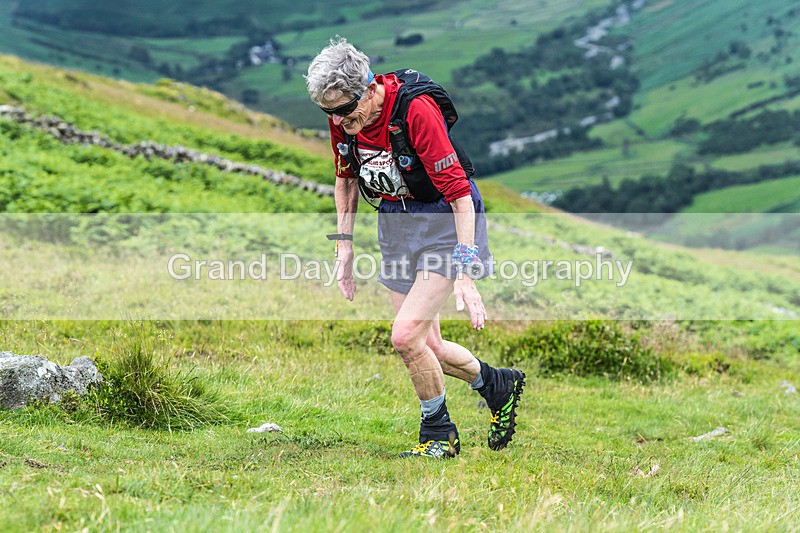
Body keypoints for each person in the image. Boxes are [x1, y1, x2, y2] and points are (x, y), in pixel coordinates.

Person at [305, 37, 525, 458]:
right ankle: (498, 385)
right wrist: (344, 245)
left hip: (445, 222)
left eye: (346, 111)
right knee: (430, 346)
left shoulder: (415, 111)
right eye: (328, 113)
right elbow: (346, 178)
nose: (339, 121)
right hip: (397, 222)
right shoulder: (342, 115)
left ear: (369, 89)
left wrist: (465, 271)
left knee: (405, 337)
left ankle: (438, 435)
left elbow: (460, 194)